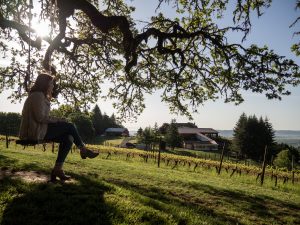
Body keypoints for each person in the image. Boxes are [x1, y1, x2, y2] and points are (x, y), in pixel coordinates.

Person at [19, 72, 99, 182]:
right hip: (34, 132)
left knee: (69, 138)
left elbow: (43, 117)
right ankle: (83, 149)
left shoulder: (40, 95)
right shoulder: (38, 96)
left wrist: (59, 120)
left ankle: (58, 169)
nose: (53, 86)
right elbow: (40, 118)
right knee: (70, 126)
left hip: (39, 129)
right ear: (45, 84)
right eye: (51, 84)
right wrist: (58, 120)